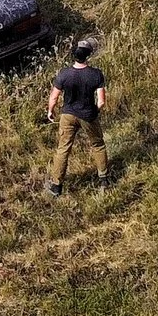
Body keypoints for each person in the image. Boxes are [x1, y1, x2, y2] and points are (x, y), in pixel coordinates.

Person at [46, 37, 108, 196]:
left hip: (68, 115)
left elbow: (54, 97)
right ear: (88, 56)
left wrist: (50, 111)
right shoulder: (96, 74)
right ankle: (103, 180)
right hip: (88, 115)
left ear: (74, 55)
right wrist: (94, 111)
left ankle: (56, 186)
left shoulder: (64, 73)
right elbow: (101, 101)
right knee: (98, 145)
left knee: (63, 149)